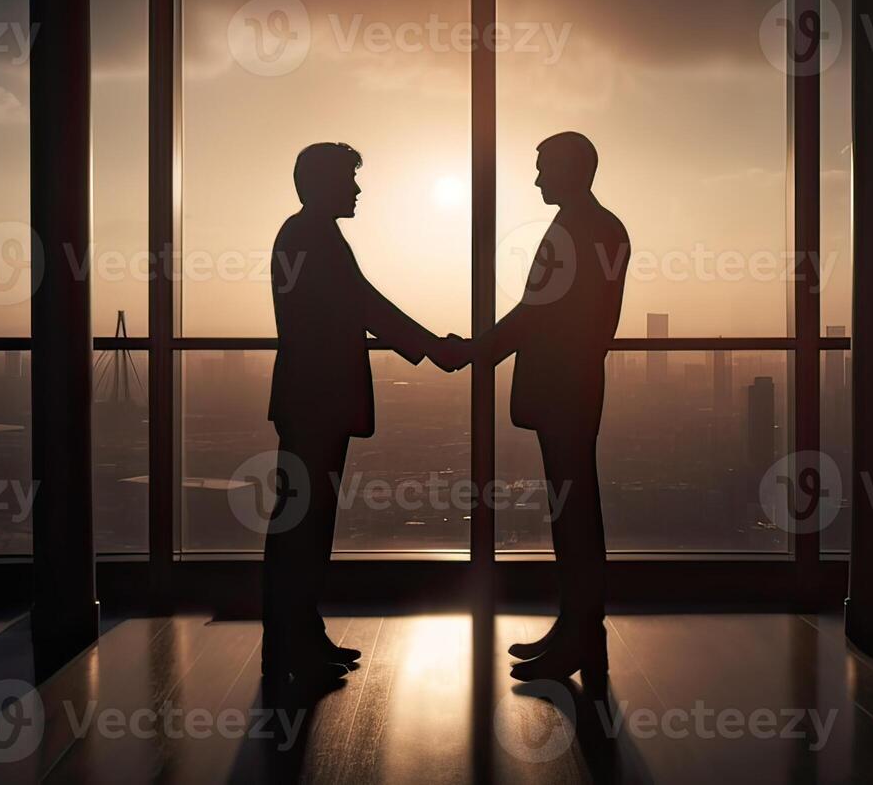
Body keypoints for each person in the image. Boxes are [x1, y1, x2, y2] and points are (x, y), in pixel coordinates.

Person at [264, 142, 468, 689]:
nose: (357, 190)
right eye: (349, 180)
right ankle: (294, 643)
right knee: (304, 524)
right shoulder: (315, 238)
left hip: (310, 397)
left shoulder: (306, 234)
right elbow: (365, 306)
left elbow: (359, 305)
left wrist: (428, 345)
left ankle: (297, 639)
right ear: (323, 183)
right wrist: (433, 347)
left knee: (303, 522)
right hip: (317, 399)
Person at [480, 131, 629, 687]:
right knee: (574, 509)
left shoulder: (578, 229)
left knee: (574, 514)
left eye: (543, 167)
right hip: (575, 385)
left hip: (564, 387)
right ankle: (577, 628)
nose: (537, 178)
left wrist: (474, 353)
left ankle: (581, 633)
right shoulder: (599, 227)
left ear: (571, 170)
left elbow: (535, 313)